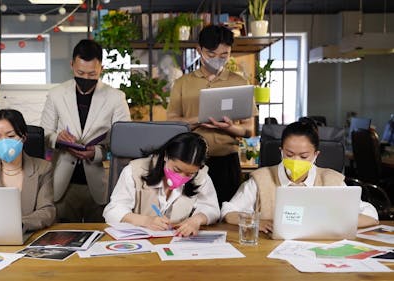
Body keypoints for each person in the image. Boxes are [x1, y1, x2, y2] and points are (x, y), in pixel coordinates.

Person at [222, 118, 379, 233]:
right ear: (281, 151)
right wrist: (256, 222)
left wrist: (333, 221)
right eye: (289, 154)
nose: (296, 160)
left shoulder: (332, 180)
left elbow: (370, 214)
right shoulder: (261, 179)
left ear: (316, 155)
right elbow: (228, 212)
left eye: (303, 156)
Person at [41, 39, 131, 223]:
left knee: (100, 237)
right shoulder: (56, 94)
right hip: (63, 183)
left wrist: (97, 152)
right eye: (80, 72)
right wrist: (58, 139)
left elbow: (125, 142)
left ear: (101, 68)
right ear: (72, 65)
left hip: (101, 185)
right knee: (62, 238)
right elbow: (43, 133)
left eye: (92, 74)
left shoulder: (116, 98)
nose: (86, 78)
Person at [167, 24, 257, 205]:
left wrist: (231, 128)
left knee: (228, 212)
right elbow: (171, 125)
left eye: (224, 55)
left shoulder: (239, 82)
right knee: (188, 211)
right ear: (199, 50)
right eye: (211, 55)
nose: (218, 59)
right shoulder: (182, 83)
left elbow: (249, 130)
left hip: (227, 161)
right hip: (189, 161)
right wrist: (198, 120)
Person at [103, 132, 220, 237]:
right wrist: (145, 221)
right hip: (141, 244)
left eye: (189, 174)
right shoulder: (135, 171)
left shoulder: (200, 176)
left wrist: (196, 220)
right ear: (166, 156)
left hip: (177, 243)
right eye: (177, 170)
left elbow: (211, 208)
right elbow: (113, 210)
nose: (182, 177)